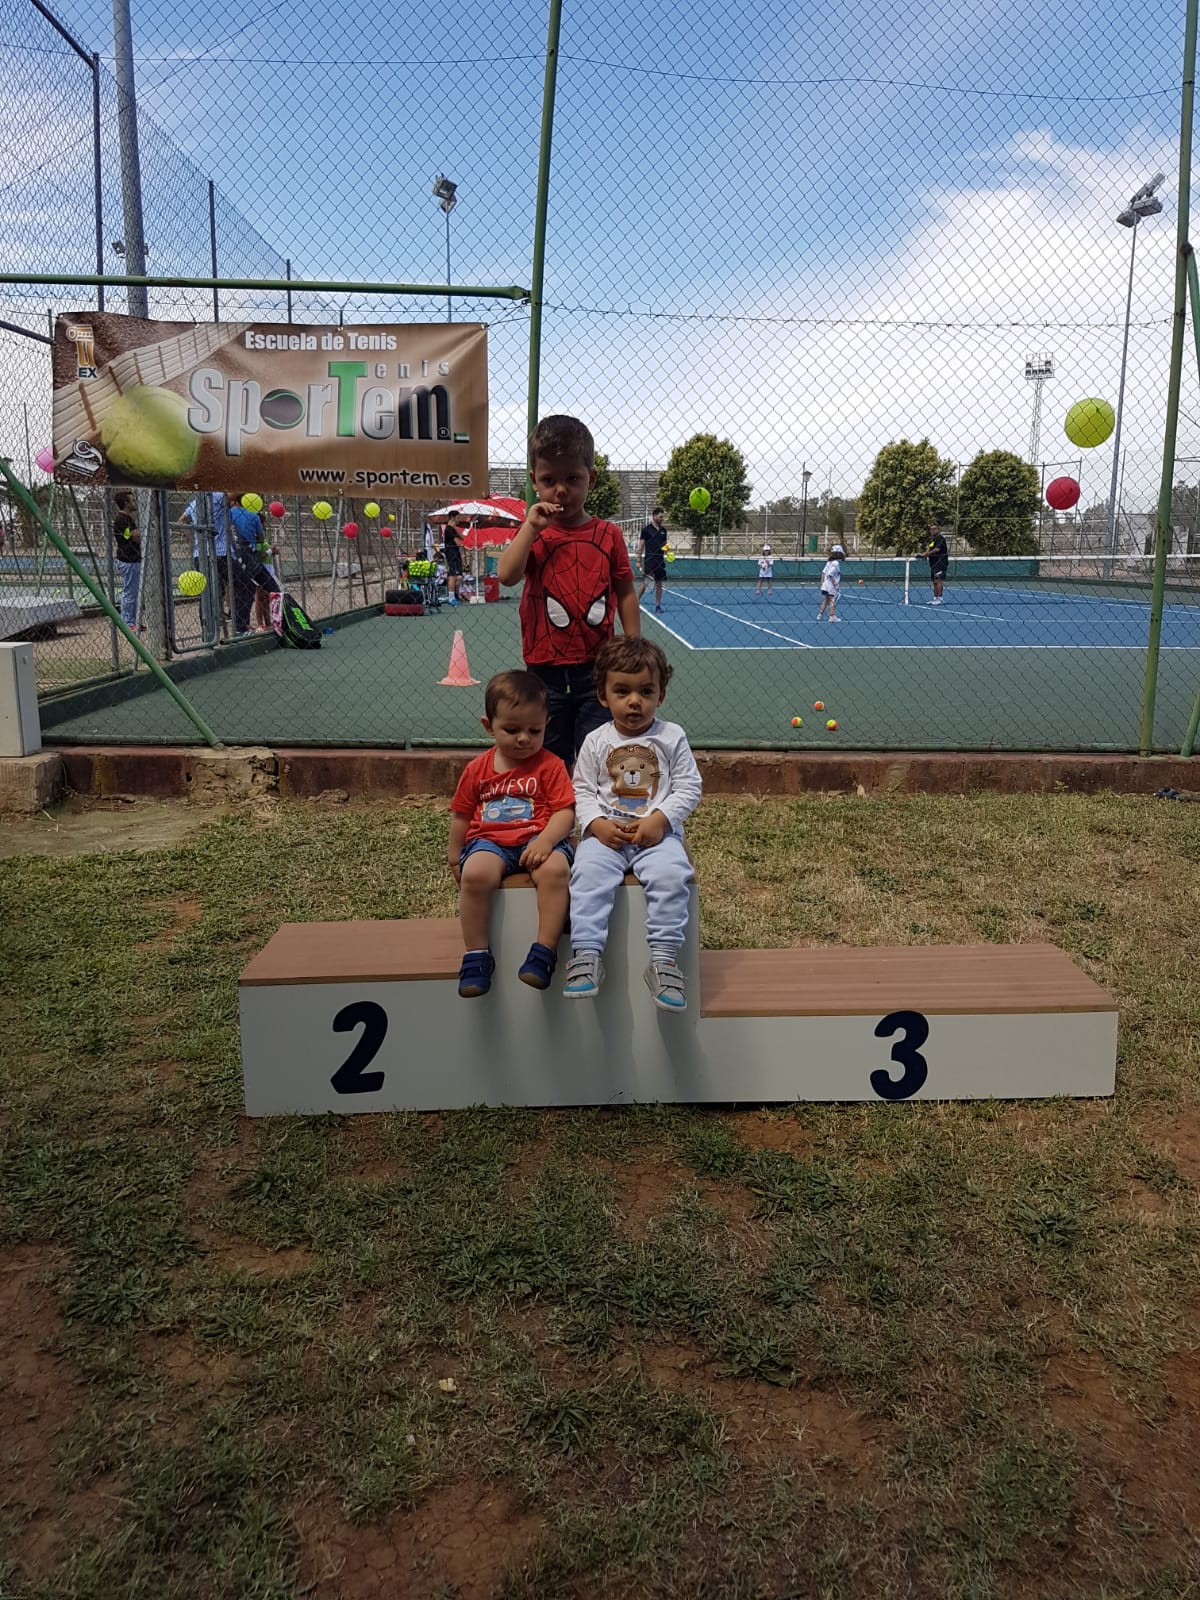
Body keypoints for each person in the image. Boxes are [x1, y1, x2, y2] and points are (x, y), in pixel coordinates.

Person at [564, 636, 702, 1012]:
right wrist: (595, 823)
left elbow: (690, 787)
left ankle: (664, 962)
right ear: (603, 695)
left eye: (646, 691)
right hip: (606, 837)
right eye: (622, 691)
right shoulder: (595, 741)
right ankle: (586, 955)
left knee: (673, 876)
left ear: (661, 694)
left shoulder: (672, 737)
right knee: (586, 874)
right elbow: (581, 789)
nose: (634, 701)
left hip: (656, 839)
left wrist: (661, 819)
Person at [497, 415, 640, 766]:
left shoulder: (608, 535)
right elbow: (506, 575)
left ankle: (594, 803)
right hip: (544, 668)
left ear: (591, 478)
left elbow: (625, 592)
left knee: (599, 753)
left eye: (572, 479)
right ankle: (556, 802)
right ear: (534, 481)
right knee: (549, 757)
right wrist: (530, 528)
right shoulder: (533, 533)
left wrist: (633, 645)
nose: (561, 490)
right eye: (549, 480)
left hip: (597, 667)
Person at [447, 670, 576, 999]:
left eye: (535, 730)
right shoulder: (477, 769)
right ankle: (477, 955)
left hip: (538, 839)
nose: (524, 739)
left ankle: (544, 951)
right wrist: (454, 856)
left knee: (556, 870)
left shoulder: (551, 765)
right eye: (512, 729)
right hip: (490, 842)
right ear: (488, 726)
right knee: (476, 875)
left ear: (547, 724)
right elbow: (462, 814)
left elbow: (565, 811)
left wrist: (547, 840)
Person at [111, 490, 141, 629]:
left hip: (133, 559)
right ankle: (127, 622)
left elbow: (133, 535)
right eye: (132, 500)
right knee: (129, 592)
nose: (134, 503)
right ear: (125, 503)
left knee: (134, 592)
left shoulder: (128, 519)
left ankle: (133, 621)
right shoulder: (122, 519)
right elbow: (136, 537)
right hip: (128, 560)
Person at [638, 506, 669, 613]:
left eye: (662, 517)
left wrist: (667, 551)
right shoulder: (646, 530)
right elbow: (641, 546)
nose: (662, 519)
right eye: (660, 517)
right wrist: (638, 560)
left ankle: (658, 606)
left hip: (660, 561)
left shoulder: (663, 531)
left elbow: (665, 545)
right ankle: (636, 601)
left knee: (659, 583)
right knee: (646, 582)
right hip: (649, 560)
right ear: (654, 516)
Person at [817, 543, 845, 622]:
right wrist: (835, 583)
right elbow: (830, 574)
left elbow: (823, 573)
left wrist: (822, 583)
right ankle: (832, 616)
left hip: (826, 584)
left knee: (826, 599)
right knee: (832, 600)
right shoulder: (836, 563)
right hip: (830, 585)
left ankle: (820, 615)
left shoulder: (829, 562)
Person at [443, 513, 464, 605]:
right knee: (452, 575)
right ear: (453, 518)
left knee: (459, 576)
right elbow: (459, 543)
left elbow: (462, 537)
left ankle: (455, 594)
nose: (459, 519)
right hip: (451, 553)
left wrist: (455, 528)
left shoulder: (453, 529)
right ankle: (451, 597)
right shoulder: (448, 529)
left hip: (456, 553)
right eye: (458, 518)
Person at [925, 524, 949, 604]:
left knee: (938, 580)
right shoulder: (932, 540)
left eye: (934, 529)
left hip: (940, 562)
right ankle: (935, 598)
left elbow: (937, 549)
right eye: (931, 529)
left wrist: (926, 554)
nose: (932, 531)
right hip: (933, 563)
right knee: (934, 581)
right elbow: (931, 548)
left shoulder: (940, 538)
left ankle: (940, 598)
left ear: (938, 530)